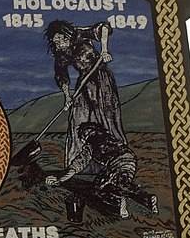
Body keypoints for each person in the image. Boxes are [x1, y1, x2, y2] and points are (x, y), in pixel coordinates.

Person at [44, 20, 127, 170]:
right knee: (77, 118)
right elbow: (61, 76)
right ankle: (76, 165)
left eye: (60, 40)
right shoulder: (60, 53)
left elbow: (104, 28)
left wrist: (104, 50)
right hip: (84, 84)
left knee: (106, 117)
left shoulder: (80, 34)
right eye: (55, 42)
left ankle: (116, 161)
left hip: (101, 80)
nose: (59, 44)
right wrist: (67, 97)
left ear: (66, 35)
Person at [45, 122, 158, 219]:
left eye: (83, 135)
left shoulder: (90, 146)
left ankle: (120, 202)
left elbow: (75, 167)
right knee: (119, 183)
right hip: (129, 160)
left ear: (85, 135)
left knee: (100, 188)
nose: (83, 139)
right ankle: (146, 199)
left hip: (118, 163)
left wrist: (60, 180)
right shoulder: (109, 138)